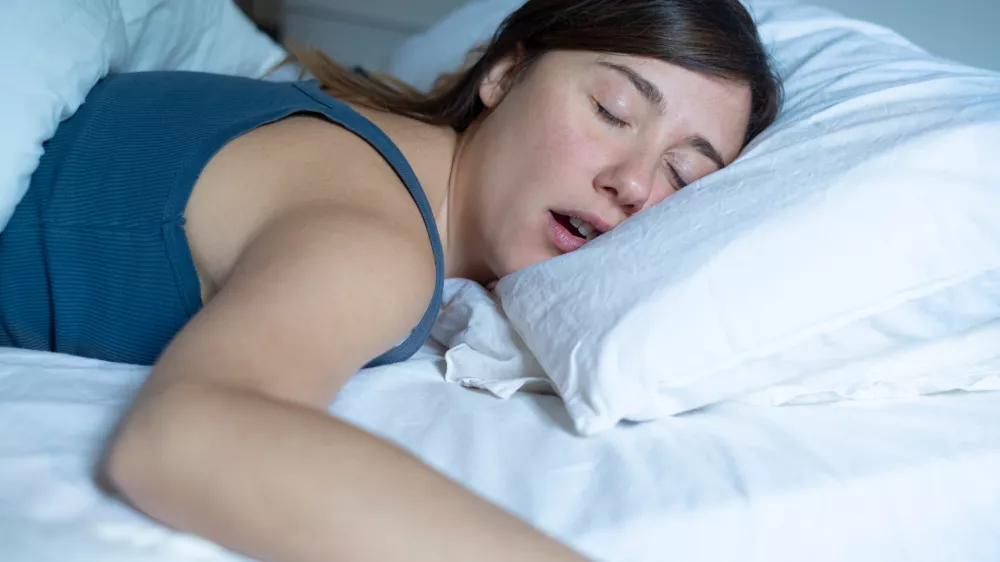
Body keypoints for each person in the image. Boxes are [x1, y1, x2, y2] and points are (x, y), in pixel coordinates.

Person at [0, 0, 782, 559]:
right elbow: (181, 441)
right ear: (504, 75)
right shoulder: (378, 239)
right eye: (613, 110)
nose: (635, 183)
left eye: (684, 172)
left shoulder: (362, 126)